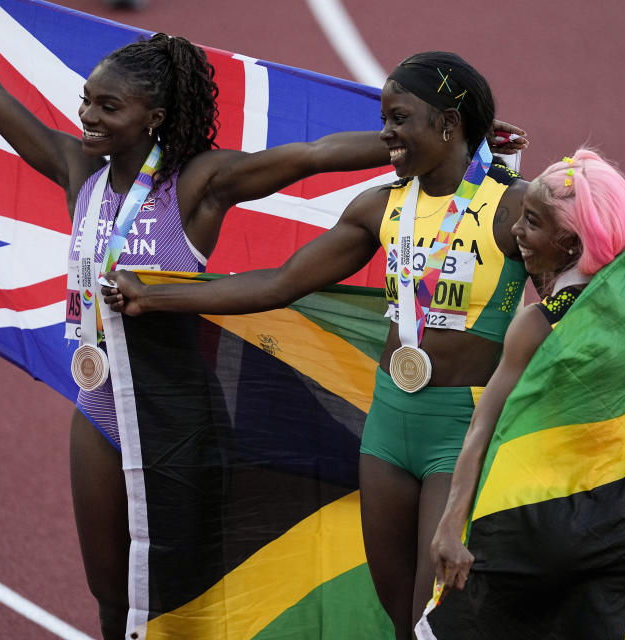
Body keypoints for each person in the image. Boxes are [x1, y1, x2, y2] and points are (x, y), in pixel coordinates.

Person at [0, 4, 529, 637]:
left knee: (180, 592)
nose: (88, 116)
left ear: (153, 117)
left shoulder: (198, 186)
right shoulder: (77, 170)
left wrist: (444, 143)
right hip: (98, 404)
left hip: (176, 416)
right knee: (111, 593)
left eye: (108, 106)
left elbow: (313, 155)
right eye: (87, 101)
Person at [103, 51, 530, 639]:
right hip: (388, 431)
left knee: (434, 614)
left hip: (463, 428)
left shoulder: (514, 208)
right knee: (399, 618)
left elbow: (586, 298)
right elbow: (280, 283)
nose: (386, 133)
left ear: (448, 124)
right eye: (385, 119)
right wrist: (153, 297)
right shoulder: (381, 207)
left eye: (399, 118)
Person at [423, 149, 625, 637]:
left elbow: (485, 425)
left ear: (568, 244)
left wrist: (450, 524)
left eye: (533, 222)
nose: (517, 232)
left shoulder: (538, 325)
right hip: (618, 528)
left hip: (529, 523)